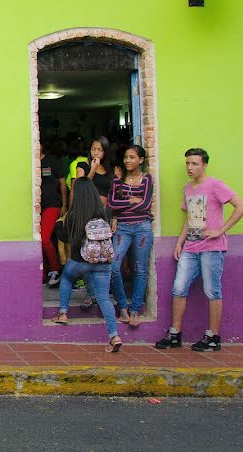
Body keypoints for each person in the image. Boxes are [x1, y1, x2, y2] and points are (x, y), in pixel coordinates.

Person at [155, 148, 243, 352]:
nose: (189, 167)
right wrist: (180, 242)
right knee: (179, 287)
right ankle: (175, 333)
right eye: (187, 163)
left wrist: (220, 230)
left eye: (194, 164)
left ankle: (213, 337)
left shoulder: (215, 185)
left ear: (204, 165)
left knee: (212, 290)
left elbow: (241, 206)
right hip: (191, 247)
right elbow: (189, 218)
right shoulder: (188, 188)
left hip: (212, 248)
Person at [50, 178, 122, 352]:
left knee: (67, 277)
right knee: (104, 298)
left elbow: (64, 238)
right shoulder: (103, 212)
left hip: (81, 262)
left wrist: (60, 223)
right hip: (103, 263)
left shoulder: (75, 214)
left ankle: (63, 312)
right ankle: (114, 335)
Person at [107, 145, 154, 328]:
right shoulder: (119, 179)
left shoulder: (147, 179)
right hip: (123, 228)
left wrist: (123, 206)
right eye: (126, 157)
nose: (128, 160)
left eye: (132, 157)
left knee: (140, 269)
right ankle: (122, 306)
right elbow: (112, 203)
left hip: (142, 227)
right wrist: (130, 200)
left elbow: (146, 205)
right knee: (114, 267)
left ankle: (135, 310)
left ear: (141, 160)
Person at [74, 137, 112, 310]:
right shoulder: (83, 166)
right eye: (93, 149)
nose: (95, 152)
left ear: (105, 152)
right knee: (89, 253)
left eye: (99, 149)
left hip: (105, 214)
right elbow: (81, 186)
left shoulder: (110, 169)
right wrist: (93, 169)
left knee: (105, 254)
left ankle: (103, 292)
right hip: (88, 214)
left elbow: (113, 194)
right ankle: (91, 294)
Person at [39, 140, 68, 288]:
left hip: (52, 204)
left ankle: (55, 270)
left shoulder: (52, 161)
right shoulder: (30, 161)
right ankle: (42, 274)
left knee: (44, 239)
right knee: (38, 241)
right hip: (36, 208)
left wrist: (64, 204)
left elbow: (63, 183)